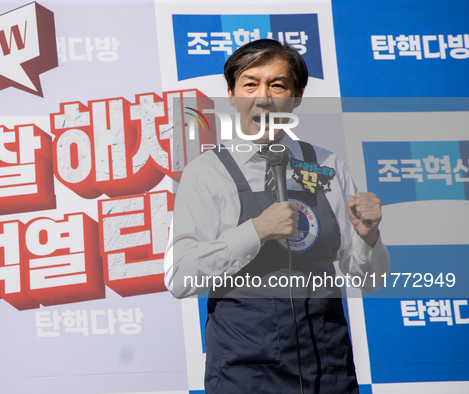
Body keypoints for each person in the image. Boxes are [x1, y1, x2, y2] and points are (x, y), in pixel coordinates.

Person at [163, 39, 391, 394]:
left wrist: (368, 238)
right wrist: (255, 231)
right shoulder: (207, 172)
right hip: (245, 373)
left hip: (327, 369)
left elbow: (371, 280)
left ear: (297, 96)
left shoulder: (327, 165)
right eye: (250, 84)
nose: (264, 97)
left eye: (277, 84)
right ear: (233, 95)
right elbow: (179, 277)